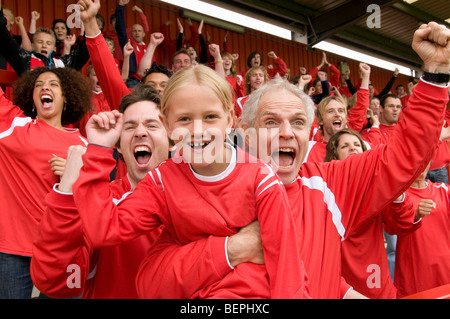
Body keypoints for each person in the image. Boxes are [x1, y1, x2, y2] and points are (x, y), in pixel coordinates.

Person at [118, 20, 450, 300]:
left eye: (299, 122)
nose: (287, 133)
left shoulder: (331, 183)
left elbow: (409, 152)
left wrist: (434, 77)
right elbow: (150, 284)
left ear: (311, 135)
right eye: (272, 123)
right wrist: (231, 249)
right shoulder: (200, 182)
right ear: (246, 134)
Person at [0, 67, 92, 298]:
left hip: (64, 250)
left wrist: (76, 178)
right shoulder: (12, 127)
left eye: (53, 84)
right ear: (31, 98)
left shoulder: (85, 146)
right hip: (12, 249)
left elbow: (96, 200)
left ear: (66, 96)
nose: (45, 88)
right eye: (38, 85)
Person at [324, 129, 422, 299]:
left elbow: (399, 223)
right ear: (334, 156)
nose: (353, 149)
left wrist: (398, 194)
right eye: (345, 146)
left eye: (357, 145)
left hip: (374, 277)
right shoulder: (324, 189)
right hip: (340, 275)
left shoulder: (375, 187)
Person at [384, 161, 450, 298]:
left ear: (430, 162)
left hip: (445, 270)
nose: (420, 166)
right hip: (415, 273)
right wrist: (414, 214)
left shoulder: (443, 189)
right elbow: (390, 228)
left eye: (424, 161)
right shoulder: (398, 196)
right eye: (416, 161)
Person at [303, 63, 371, 163]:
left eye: (341, 111)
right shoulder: (308, 149)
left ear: (346, 118)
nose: (337, 114)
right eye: (330, 111)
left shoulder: (361, 147)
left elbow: (361, 107)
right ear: (320, 120)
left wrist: (365, 77)